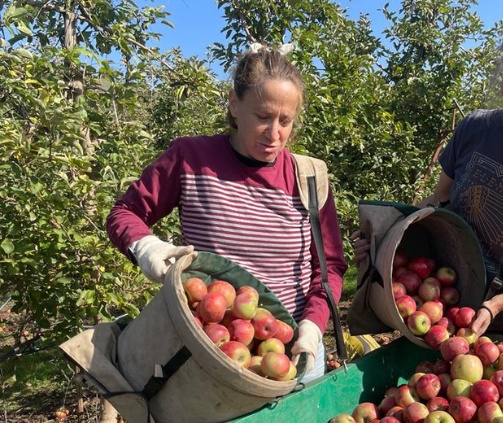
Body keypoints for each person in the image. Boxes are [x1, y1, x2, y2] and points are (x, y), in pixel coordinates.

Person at [106, 43, 347, 383]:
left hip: (294, 353)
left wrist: (313, 324)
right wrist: (147, 247)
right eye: (263, 117)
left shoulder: (308, 178)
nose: (275, 133)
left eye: (285, 121)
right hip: (211, 354)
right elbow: (124, 213)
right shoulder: (190, 159)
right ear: (235, 105)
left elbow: (331, 266)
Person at [354, 17, 503, 338]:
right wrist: (386, 241)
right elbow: (438, 200)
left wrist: (497, 304)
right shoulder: (475, 129)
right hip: (447, 306)